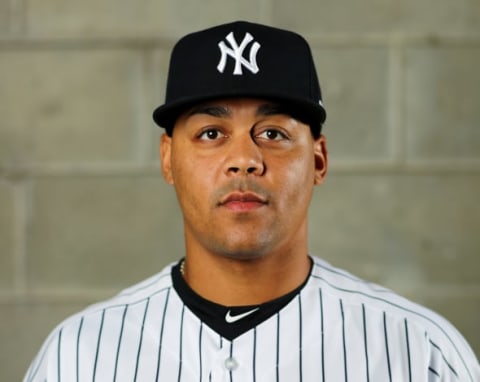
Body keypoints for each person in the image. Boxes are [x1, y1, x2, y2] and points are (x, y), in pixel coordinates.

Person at [24, 21, 479, 382]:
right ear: (168, 159)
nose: (243, 159)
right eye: (211, 134)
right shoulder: (79, 355)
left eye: (273, 134)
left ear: (318, 160)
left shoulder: (420, 352)